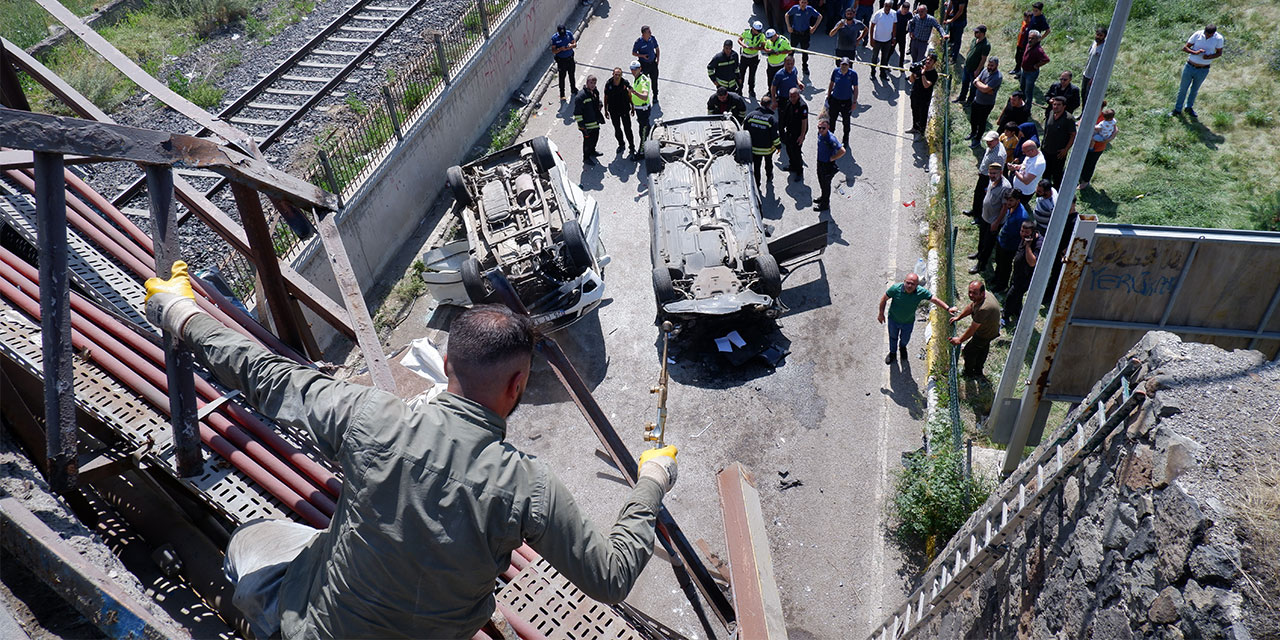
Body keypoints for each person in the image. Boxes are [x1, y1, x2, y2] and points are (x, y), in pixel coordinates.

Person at [143, 268, 681, 640]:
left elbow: (264, 376)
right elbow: (609, 577)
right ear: (518, 385)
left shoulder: (371, 417)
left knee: (248, 541)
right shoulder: (526, 487)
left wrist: (178, 310)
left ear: (446, 362)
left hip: (314, 630)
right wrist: (651, 480)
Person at [879, 272, 954, 364]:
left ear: (917, 285)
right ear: (904, 281)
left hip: (908, 322)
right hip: (893, 320)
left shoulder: (921, 292)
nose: (909, 286)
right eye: (908, 283)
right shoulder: (895, 289)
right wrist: (881, 314)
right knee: (893, 337)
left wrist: (948, 308)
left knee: (905, 339)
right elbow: (884, 299)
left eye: (912, 284)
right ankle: (892, 353)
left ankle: (902, 348)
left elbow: (935, 300)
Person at [949, 280, 1002, 378]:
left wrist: (959, 340)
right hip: (990, 329)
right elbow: (971, 306)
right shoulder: (983, 296)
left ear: (982, 293)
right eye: (970, 292)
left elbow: (973, 328)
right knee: (982, 348)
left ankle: (969, 373)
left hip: (986, 333)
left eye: (974, 293)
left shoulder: (984, 308)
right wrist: (959, 317)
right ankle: (978, 370)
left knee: (969, 351)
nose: (971, 295)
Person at [1172, 23, 1223, 118]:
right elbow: (1185, 48)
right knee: (1183, 89)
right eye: (1206, 33)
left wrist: (1209, 57)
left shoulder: (1219, 38)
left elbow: (1219, 53)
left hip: (1203, 69)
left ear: (1213, 34)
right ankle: (1177, 109)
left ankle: (1189, 108)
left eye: (1209, 35)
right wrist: (1195, 52)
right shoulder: (1197, 34)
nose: (1206, 36)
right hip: (1190, 66)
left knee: (1194, 90)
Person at [969, 162, 1011, 275]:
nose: (992, 175)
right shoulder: (991, 180)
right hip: (985, 217)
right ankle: (978, 253)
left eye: (994, 173)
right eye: (990, 173)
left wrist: (996, 222)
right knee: (982, 238)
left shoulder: (1005, 187)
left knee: (988, 244)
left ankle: (981, 265)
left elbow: (1005, 207)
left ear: (1001, 173)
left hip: (994, 221)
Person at [1002, 220, 1042, 327]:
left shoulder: (1037, 243)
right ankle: (1016, 310)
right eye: (1022, 231)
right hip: (1017, 272)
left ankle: (1005, 316)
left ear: (1033, 232)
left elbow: (1032, 262)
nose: (1023, 234)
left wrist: (1028, 246)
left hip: (1025, 276)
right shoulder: (1025, 237)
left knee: (1012, 294)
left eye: (1026, 232)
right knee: (1016, 295)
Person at [989, 189, 1029, 292]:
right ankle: (996, 278)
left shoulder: (1021, 217)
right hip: (1002, 240)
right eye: (1007, 200)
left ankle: (1001, 286)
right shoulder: (1010, 208)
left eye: (1011, 200)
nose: (1008, 203)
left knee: (1005, 267)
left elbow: (1022, 234)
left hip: (1010, 246)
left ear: (1018, 201)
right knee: (999, 262)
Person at [964, 132, 1005, 222]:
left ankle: (979, 217)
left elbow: (997, 172)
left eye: (990, 141)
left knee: (983, 197)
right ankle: (975, 211)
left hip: (988, 178)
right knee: (977, 194)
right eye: (987, 141)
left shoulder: (999, 155)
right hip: (984, 174)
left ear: (996, 140)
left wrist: (991, 184)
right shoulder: (992, 146)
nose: (988, 143)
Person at [745, 94, 782, 186]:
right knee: (768, 163)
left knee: (756, 166)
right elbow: (774, 136)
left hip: (754, 149)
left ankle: (757, 183)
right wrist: (778, 146)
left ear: (760, 103)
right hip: (767, 150)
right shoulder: (771, 119)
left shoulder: (750, 116)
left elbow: (745, 132)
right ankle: (769, 176)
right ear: (769, 105)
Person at [1040, 95, 1075, 187]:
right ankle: (1044, 190)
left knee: (1057, 174)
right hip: (1046, 149)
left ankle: (1056, 192)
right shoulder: (1051, 113)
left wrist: (1066, 149)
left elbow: (1073, 135)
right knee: (1046, 172)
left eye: (1058, 105)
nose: (1055, 106)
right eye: (1054, 104)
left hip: (1059, 153)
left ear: (1064, 106)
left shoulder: (1069, 119)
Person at [1079, 106, 1116, 189]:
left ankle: (1085, 181)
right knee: (1081, 161)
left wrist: (1109, 139)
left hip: (1098, 147)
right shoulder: (1088, 115)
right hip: (1083, 144)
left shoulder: (1105, 118)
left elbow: (1115, 129)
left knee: (1090, 164)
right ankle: (1079, 176)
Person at [814, 118, 846, 211]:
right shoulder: (820, 134)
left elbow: (842, 151)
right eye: (819, 127)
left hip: (827, 165)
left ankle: (825, 205)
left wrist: (832, 158)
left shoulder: (830, 138)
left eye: (823, 128)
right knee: (821, 181)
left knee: (826, 184)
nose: (820, 130)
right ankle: (823, 197)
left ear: (828, 127)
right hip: (820, 162)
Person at [602, 67, 636, 157]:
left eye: (619, 75)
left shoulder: (625, 83)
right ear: (613, 74)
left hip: (624, 109)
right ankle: (621, 144)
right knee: (617, 129)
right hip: (613, 111)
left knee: (628, 129)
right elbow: (606, 97)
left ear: (621, 75)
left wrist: (633, 107)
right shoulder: (608, 84)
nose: (617, 76)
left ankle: (632, 147)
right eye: (615, 74)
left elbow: (630, 95)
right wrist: (605, 110)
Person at [966, 56, 1001, 141]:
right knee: (973, 119)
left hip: (986, 104)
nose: (989, 67)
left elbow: (984, 89)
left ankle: (978, 139)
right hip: (977, 100)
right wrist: (982, 86)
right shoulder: (985, 70)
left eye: (992, 65)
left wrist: (980, 86)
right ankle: (973, 133)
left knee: (982, 122)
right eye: (989, 65)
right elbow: (977, 79)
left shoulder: (997, 77)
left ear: (996, 65)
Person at [572, 75, 605, 165]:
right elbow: (577, 113)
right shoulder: (581, 96)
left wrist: (600, 104)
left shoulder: (595, 92)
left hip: (594, 122)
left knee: (595, 138)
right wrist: (582, 126)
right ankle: (586, 158)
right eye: (591, 83)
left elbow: (597, 101)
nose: (593, 85)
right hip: (586, 125)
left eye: (594, 83)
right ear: (587, 83)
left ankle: (592, 151)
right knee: (587, 142)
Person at [779, 87, 810, 181]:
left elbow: (804, 122)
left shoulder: (802, 106)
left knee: (796, 152)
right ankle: (792, 165)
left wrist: (802, 135)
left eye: (794, 96)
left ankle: (799, 171)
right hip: (790, 130)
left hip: (798, 132)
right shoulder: (789, 102)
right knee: (789, 149)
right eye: (791, 96)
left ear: (798, 95)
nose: (792, 98)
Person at [785, 0, 823, 75]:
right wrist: (788, 26)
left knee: (805, 52)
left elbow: (820, 16)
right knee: (791, 51)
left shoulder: (809, 9)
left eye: (805, 2)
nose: (803, 4)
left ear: (807, 3)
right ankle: (788, 67)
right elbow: (787, 15)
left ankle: (805, 66)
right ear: (799, 2)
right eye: (802, 2)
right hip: (795, 33)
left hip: (805, 34)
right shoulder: (795, 8)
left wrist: (814, 28)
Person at [827, 57, 859, 146]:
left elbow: (855, 89)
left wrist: (854, 102)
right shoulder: (836, 71)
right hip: (835, 100)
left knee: (846, 122)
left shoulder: (853, 74)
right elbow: (831, 83)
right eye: (842, 64)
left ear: (849, 65)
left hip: (846, 102)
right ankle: (830, 137)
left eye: (846, 65)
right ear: (840, 64)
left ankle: (845, 139)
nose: (844, 66)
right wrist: (829, 96)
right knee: (832, 120)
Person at [954, 25, 989, 105]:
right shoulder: (974, 40)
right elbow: (970, 50)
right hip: (967, 66)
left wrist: (978, 70)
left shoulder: (986, 45)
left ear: (982, 33)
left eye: (977, 32)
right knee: (964, 83)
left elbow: (983, 59)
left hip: (974, 69)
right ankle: (961, 98)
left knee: (973, 87)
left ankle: (970, 101)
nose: (975, 33)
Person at [907, 53, 938, 135]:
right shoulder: (920, 68)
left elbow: (926, 85)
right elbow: (911, 80)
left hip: (924, 99)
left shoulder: (934, 74)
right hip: (915, 95)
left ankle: (921, 133)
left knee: (922, 116)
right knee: (915, 112)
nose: (928, 61)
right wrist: (913, 72)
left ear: (934, 63)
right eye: (927, 59)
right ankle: (914, 128)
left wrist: (923, 74)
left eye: (930, 60)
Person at [1008, 139, 1044, 205]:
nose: (1023, 154)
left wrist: (1014, 171)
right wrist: (1018, 166)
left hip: (1024, 192)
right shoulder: (1031, 155)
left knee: (1017, 206)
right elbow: (1025, 165)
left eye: (1025, 152)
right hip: (1017, 187)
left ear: (1032, 151)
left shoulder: (1038, 164)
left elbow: (1026, 181)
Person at [627, 61, 653, 152]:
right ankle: (653, 141)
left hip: (643, 110)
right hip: (639, 109)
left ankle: (641, 152)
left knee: (642, 132)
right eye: (632, 69)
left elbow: (645, 97)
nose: (633, 71)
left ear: (640, 69)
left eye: (635, 69)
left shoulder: (643, 80)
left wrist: (634, 92)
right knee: (647, 128)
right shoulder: (637, 78)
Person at [869, 1, 898, 80]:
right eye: (886, 6)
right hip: (877, 40)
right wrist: (871, 39)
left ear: (891, 6)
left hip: (887, 40)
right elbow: (872, 26)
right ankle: (872, 72)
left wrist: (894, 37)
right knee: (874, 57)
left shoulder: (894, 13)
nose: (887, 8)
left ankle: (882, 73)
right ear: (884, 5)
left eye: (889, 6)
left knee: (884, 58)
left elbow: (894, 26)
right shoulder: (878, 14)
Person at [738, 20, 767, 97]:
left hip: (754, 58)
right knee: (741, 74)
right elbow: (739, 40)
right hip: (744, 57)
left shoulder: (761, 36)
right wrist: (743, 45)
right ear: (753, 29)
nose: (759, 32)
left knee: (752, 75)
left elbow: (763, 47)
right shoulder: (746, 32)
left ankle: (751, 89)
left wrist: (755, 48)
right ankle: (739, 89)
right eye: (758, 31)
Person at [550, 25, 578, 101]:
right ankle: (562, 94)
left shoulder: (569, 34)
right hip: (561, 61)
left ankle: (573, 89)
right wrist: (560, 49)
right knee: (562, 77)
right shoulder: (555, 38)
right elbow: (553, 50)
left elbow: (575, 44)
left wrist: (571, 46)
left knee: (571, 75)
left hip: (570, 59)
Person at [632, 26, 660, 100]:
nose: (651, 33)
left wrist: (658, 59)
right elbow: (634, 53)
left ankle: (655, 95)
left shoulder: (652, 39)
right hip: (644, 65)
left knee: (654, 80)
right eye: (649, 32)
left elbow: (657, 49)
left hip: (653, 63)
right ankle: (642, 95)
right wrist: (642, 56)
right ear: (644, 34)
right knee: (643, 81)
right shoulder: (639, 42)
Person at [1020, 30, 1049, 99]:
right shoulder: (1028, 45)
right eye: (1029, 38)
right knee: (1022, 87)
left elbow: (1046, 60)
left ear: (1038, 39)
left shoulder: (1038, 50)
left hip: (1031, 73)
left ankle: (1027, 106)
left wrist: (1036, 65)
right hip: (1024, 71)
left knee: (1028, 91)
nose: (1030, 40)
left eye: (1033, 38)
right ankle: (1022, 101)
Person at [1081, 27, 1106, 105]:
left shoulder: (1104, 48)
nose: (1098, 37)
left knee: (1088, 96)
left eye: (1101, 35)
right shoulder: (1094, 43)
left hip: (1093, 77)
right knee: (1083, 94)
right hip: (1086, 74)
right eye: (1097, 34)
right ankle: (1082, 113)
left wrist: (1095, 77)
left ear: (1104, 36)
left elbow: (1102, 65)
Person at [893, 1, 913, 69]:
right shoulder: (897, 14)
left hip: (902, 35)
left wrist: (908, 31)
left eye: (907, 10)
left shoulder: (909, 15)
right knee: (891, 50)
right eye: (904, 9)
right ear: (902, 8)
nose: (905, 11)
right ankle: (885, 64)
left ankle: (901, 65)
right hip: (895, 35)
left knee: (902, 51)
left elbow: (911, 23)